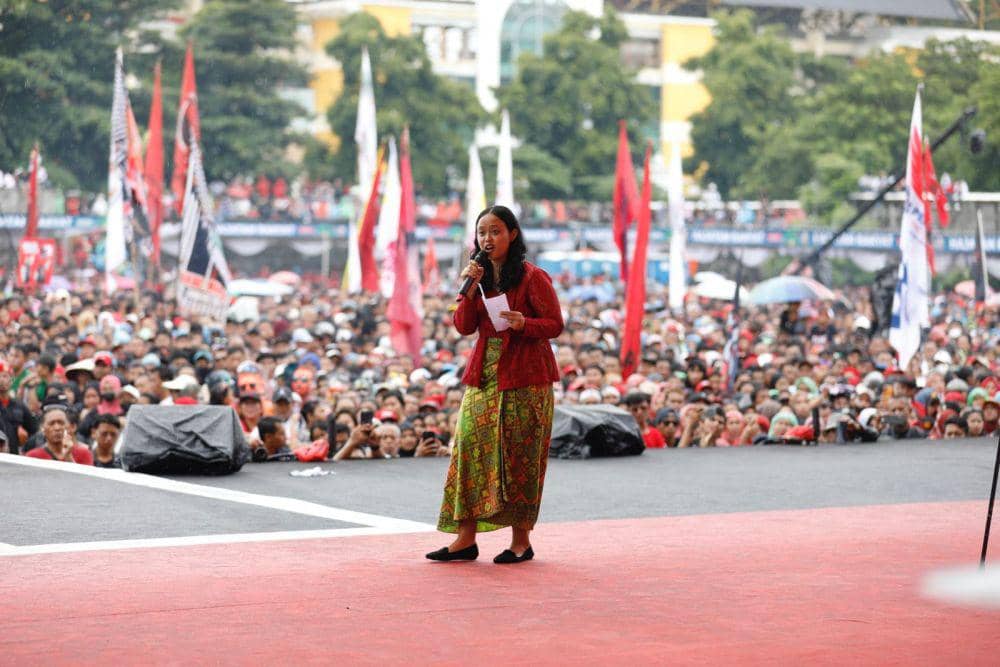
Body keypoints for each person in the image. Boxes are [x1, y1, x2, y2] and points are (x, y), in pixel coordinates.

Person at [429, 205, 562, 564]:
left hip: (526, 377)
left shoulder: (533, 277)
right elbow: (463, 326)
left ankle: (521, 542)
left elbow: (555, 324)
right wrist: (469, 289)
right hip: (484, 376)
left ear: (512, 235)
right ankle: (465, 539)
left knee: (520, 456)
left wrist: (525, 324)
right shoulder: (478, 276)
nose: (487, 238)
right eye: (482, 232)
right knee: (469, 450)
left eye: (495, 231)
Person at [24, 405, 94, 465]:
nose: (57, 428)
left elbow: (85, 477)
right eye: (51, 424)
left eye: (61, 423)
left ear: (68, 426)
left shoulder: (84, 454)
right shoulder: (33, 457)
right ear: (42, 428)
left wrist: (68, 457)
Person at [0, 359, 38, 454]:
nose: (1, 380)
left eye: (5, 376)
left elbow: (34, 429)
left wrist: (25, 440)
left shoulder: (19, 405)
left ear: (12, 380)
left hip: (14, 456)